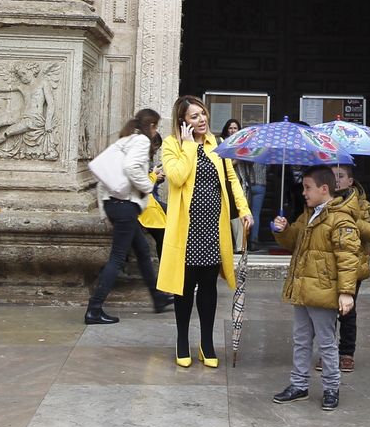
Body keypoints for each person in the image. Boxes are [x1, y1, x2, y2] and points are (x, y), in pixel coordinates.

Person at [159, 95, 252, 368]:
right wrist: (188, 147)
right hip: (186, 230)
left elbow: (232, 180)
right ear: (182, 121)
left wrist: (244, 209)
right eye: (194, 116)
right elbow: (176, 178)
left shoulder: (218, 144)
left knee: (209, 288)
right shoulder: (171, 145)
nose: (201, 120)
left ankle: (207, 342)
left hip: (213, 226)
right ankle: (181, 340)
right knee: (184, 288)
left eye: (203, 114)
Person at [270, 167, 361, 411]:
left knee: (326, 341)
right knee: (301, 339)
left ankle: (332, 387)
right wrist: (284, 230)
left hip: (322, 289)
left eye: (307, 187)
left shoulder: (341, 219)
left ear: (324, 189)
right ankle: (299, 384)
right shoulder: (308, 214)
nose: (303, 192)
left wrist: (346, 292)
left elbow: (348, 257)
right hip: (303, 287)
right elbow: (294, 241)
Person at [85, 109, 172, 325]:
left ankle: (157, 297)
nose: (156, 131)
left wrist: (106, 209)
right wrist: (148, 186)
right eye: (156, 126)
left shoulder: (125, 140)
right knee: (117, 258)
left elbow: (104, 178)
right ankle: (94, 309)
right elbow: (131, 168)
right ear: (150, 125)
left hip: (115, 204)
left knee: (142, 251)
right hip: (125, 207)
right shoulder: (141, 141)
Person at [332, 163, 370, 371]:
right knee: (327, 311)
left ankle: (346, 352)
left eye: (341, 176)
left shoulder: (363, 205)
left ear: (350, 180)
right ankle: (327, 351)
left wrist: (354, 221)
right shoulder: (326, 201)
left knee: (347, 311)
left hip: (354, 264)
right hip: (330, 263)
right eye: (332, 175)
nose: (336, 180)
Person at [222, 119, 268, 251]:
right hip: (234, 183)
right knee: (244, 213)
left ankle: (245, 243)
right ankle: (245, 242)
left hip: (244, 183)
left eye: (235, 128)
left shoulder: (245, 146)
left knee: (245, 213)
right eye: (230, 128)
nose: (232, 130)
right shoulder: (226, 144)